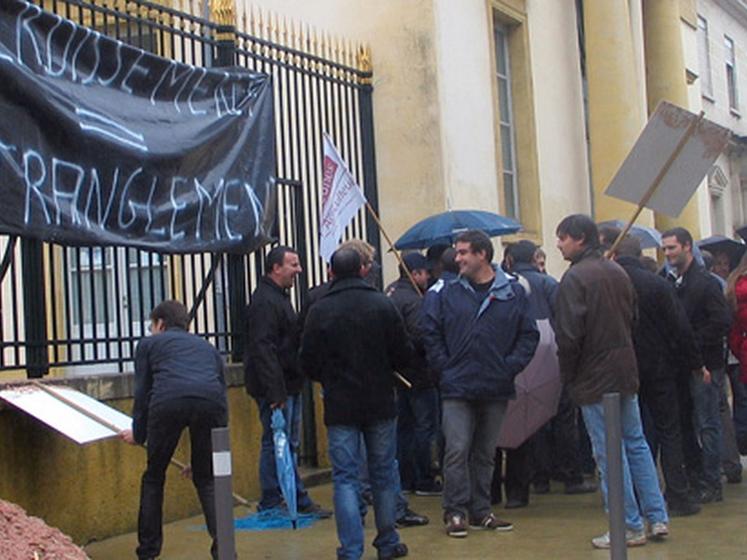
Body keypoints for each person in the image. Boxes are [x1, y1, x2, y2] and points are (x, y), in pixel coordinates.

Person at [554, 215, 668, 549]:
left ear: (579, 239)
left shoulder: (575, 278)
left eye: (562, 238)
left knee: (609, 452)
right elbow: (631, 318)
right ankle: (656, 515)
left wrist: (569, 376)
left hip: (593, 375)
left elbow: (569, 335)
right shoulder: (617, 272)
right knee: (636, 443)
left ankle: (628, 525)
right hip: (625, 368)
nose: (559, 244)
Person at [422, 230, 539, 538]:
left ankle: (481, 510)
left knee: (485, 452)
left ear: (482, 255)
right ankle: (455, 512)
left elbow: (529, 335)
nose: (456, 258)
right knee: (457, 449)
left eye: (463, 252)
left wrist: (509, 367)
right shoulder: (443, 291)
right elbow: (430, 332)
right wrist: (445, 367)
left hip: (494, 384)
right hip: (457, 386)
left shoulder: (512, 291)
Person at [301, 248, 414, 560]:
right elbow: (404, 353)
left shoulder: (320, 310)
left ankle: (351, 549)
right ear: (364, 270)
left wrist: (329, 377)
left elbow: (306, 360)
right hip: (380, 400)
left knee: (345, 478)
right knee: (384, 472)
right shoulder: (382, 304)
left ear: (332, 272)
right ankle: (388, 541)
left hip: (340, 403)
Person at [120, 300, 228, 560]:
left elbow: (143, 391)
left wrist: (139, 432)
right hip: (211, 405)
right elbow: (219, 391)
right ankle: (225, 551)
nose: (151, 330)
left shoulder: (148, 345)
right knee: (209, 479)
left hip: (167, 401)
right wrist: (206, 454)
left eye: (152, 325)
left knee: (154, 477)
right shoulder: (208, 348)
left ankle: (148, 551)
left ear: (160, 323)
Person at [610, 236, 702, 516]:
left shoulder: (610, 285)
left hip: (623, 368)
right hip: (661, 367)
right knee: (669, 431)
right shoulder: (658, 284)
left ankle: (637, 495)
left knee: (633, 434)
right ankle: (677, 493)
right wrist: (694, 363)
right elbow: (679, 327)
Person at [503, 240, 596, 501]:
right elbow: (565, 318)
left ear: (509, 260)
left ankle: (539, 476)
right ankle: (571, 476)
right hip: (551, 356)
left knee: (528, 421)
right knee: (564, 417)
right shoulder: (549, 284)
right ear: (535, 258)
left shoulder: (505, 284)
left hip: (517, 358)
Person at [244, 246, 329, 516]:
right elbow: (263, 348)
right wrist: (275, 392)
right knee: (277, 442)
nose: (299, 270)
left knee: (286, 442)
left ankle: (289, 495)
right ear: (276, 267)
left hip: (287, 383)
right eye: (293, 264)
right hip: (277, 388)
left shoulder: (278, 297)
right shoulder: (265, 302)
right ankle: (276, 498)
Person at [661, 227, 731, 503]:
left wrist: (692, 342)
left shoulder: (706, 283)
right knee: (687, 423)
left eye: (672, 248)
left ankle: (711, 480)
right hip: (681, 363)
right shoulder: (671, 281)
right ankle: (695, 474)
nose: (667, 254)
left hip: (705, 363)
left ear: (687, 247)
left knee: (707, 422)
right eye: (665, 249)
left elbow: (721, 321)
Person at [386, 252, 442, 496]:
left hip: (397, 372)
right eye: (424, 272)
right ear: (415, 273)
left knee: (404, 427)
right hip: (419, 372)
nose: (428, 276)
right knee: (424, 427)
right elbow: (421, 337)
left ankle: (405, 478)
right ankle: (423, 479)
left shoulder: (390, 294)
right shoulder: (416, 301)